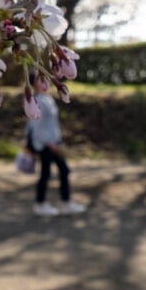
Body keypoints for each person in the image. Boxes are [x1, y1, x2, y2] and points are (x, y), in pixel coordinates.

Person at [27, 84, 87, 216]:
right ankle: (40, 203)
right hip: (46, 144)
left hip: (55, 142)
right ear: (34, 83)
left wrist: (58, 140)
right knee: (46, 173)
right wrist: (48, 142)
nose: (45, 83)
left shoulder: (48, 98)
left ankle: (66, 202)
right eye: (40, 79)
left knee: (64, 170)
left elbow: (52, 123)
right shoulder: (36, 100)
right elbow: (35, 125)